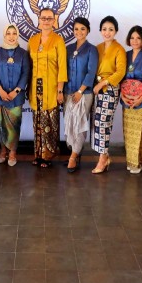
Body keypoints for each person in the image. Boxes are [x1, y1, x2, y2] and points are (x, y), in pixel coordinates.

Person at [28, 8, 67, 168]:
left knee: (49, 123)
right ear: (39, 20)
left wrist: (60, 90)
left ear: (54, 21)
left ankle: (48, 155)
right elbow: (29, 65)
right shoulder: (32, 40)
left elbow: (62, 67)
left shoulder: (58, 40)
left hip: (51, 88)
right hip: (35, 87)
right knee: (37, 121)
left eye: (49, 18)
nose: (46, 21)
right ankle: (38, 154)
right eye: (43, 18)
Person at [91, 16, 126, 174]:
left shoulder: (119, 49)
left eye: (111, 29)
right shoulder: (97, 48)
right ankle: (104, 155)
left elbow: (120, 72)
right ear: (100, 31)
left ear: (116, 31)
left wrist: (104, 83)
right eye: (104, 29)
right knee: (97, 123)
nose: (107, 32)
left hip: (109, 88)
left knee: (104, 123)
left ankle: (103, 158)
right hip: (96, 88)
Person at [0, 24, 30, 167]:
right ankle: (3, 150)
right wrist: (0, 90)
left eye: (14, 33)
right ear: (4, 35)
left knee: (14, 125)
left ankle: (13, 152)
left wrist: (16, 91)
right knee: (1, 124)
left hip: (16, 97)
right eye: (8, 33)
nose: (12, 36)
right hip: (0, 97)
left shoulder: (23, 53)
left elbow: (26, 73)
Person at [63, 17, 98, 173]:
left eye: (82, 29)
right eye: (76, 29)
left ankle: (73, 157)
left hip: (83, 93)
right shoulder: (68, 48)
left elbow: (91, 72)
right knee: (70, 123)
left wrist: (80, 91)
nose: (79, 32)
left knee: (80, 125)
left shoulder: (92, 49)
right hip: (68, 91)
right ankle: (74, 153)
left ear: (88, 30)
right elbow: (63, 70)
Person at [120, 26, 142, 174]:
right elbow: (120, 77)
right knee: (129, 134)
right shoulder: (125, 55)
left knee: (141, 134)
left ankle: (138, 163)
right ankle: (130, 161)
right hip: (127, 100)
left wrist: (140, 99)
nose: (135, 41)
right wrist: (123, 96)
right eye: (132, 38)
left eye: (138, 38)